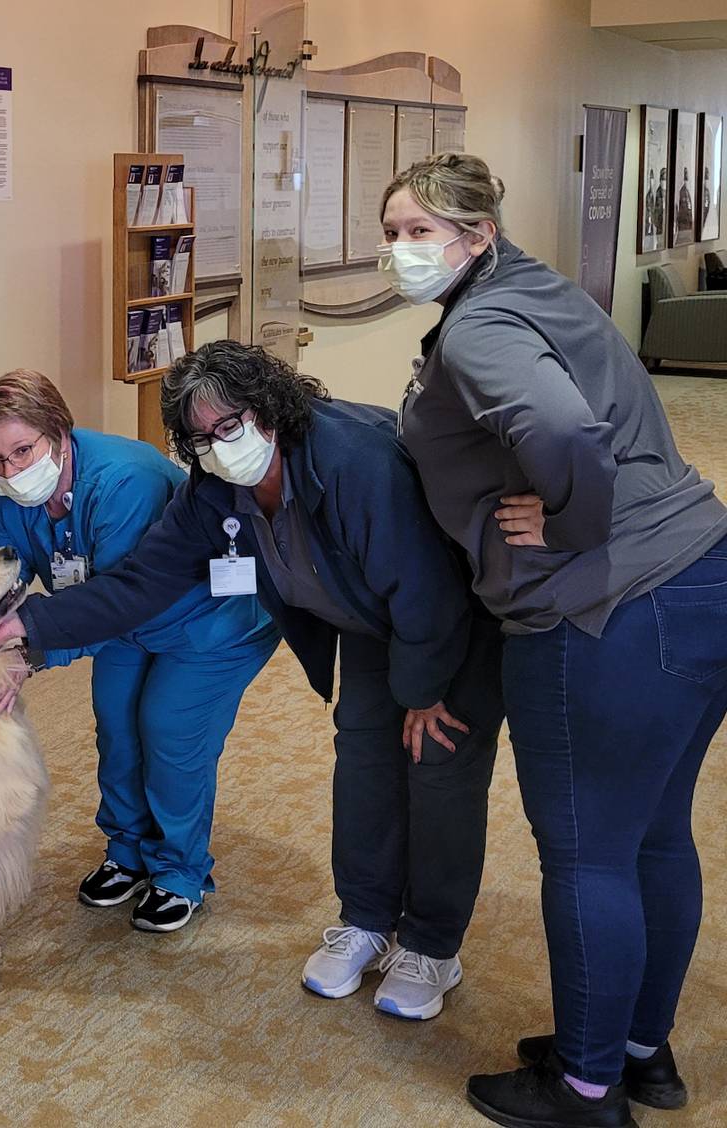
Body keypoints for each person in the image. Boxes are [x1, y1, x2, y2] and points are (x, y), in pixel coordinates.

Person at [0, 343, 504, 1014]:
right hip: (372, 622)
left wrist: (426, 691)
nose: (216, 445)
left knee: (434, 771)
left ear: (269, 411)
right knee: (365, 766)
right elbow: (141, 584)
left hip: (452, 623)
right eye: (199, 437)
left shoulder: (356, 461)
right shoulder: (214, 489)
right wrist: (32, 625)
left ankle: (432, 947)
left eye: (228, 425)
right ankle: (367, 920)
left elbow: (425, 584)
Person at [380, 152, 727, 1128]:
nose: (400, 250)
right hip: (704, 573)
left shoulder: (483, 324)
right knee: (654, 836)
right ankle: (635, 1052)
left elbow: (561, 431)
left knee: (587, 857)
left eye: (420, 232)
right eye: (392, 230)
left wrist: (574, 525)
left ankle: (583, 1091)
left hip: (605, 614)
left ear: (477, 235)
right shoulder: (540, 290)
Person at [0, 368, 280, 932]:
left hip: (207, 619)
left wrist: (28, 654)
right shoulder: (9, 498)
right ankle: (127, 850)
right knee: (116, 723)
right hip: (115, 620)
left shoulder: (124, 482)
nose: (11, 471)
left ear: (58, 431)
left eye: (22, 451)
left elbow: (123, 600)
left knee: (167, 727)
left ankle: (179, 871)